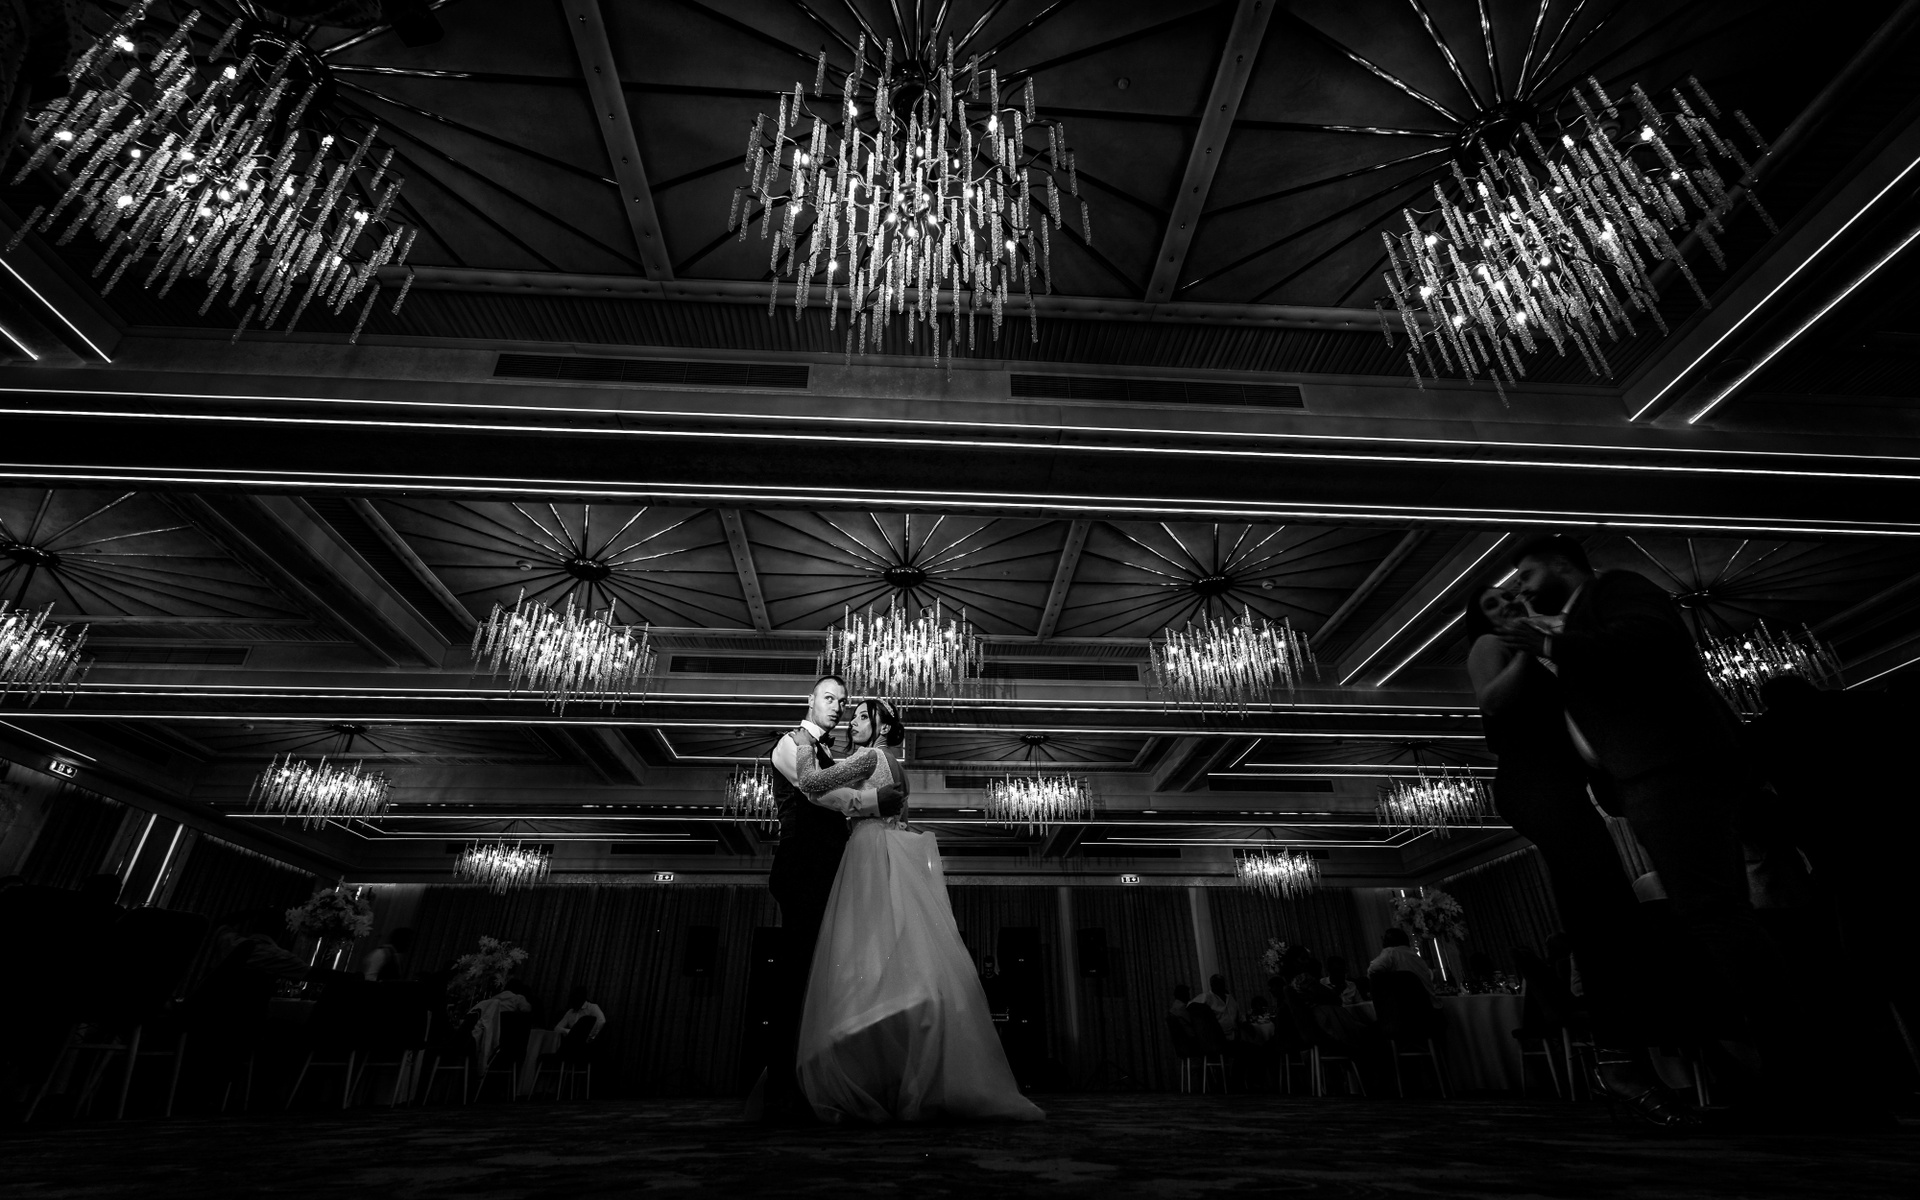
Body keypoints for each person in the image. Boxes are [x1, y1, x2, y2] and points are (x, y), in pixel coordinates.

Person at [1500, 534, 1799, 1114]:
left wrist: (1547, 642)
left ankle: (1795, 1075)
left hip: (1674, 767)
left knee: (1714, 914)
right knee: (1713, 913)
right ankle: (1785, 1070)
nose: (1525, 590)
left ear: (1562, 564)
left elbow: (1651, 642)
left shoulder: (1615, 588)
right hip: (1649, 776)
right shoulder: (1577, 623)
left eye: (1528, 575)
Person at [1464, 581, 1690, 1122]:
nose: (1505, 603)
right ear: (1482, 620)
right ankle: (1618, 1062)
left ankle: (1622, 1061)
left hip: (1566, 785)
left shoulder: (1549, 647)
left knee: (1604, 907)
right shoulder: (1491, 646)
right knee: (1601, 906)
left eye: (1507, 596)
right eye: (1491, 604)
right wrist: (1527, 649)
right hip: (1531, 784)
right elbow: (1491, 701)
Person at [796, 697, 1042, 1123]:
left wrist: (803, 744)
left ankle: (870, 1062)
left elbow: (812, 782)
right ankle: (897, 1064)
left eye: (862, 717)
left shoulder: (870, 757)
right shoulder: (892, 763)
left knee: (865, 944)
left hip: (870, 848)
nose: (852, 723)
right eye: (852, 717)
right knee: (891, 944)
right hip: (886, 845)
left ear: (883, 728)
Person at [755, 674, 892, 1124]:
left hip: (828, 870)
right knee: (796, 977)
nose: (837, 707)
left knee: (821, 977)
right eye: (828, 698)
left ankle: (814, 1080)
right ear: (810, 701)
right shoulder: (789, 743)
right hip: (802, 869)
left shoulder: (832, 753)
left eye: (842, 701)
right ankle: (784, 1090)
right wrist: (876, 802)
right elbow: (823, 795)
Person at [1367, 928, 1438, 1008]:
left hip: (1408, 1008)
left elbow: (1372, 970)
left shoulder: (1390, 952)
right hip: (1430, 1007)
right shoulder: (1415, 956)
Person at [1201, 974, 1243, 1040]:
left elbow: (1238, 1015)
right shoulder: (1206, 998)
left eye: (1222, 983)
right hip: (1218, 1038)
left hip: (1235, 1035)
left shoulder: (1230, 998)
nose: (1220, 985)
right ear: (1212, 985)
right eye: (1217, 983)